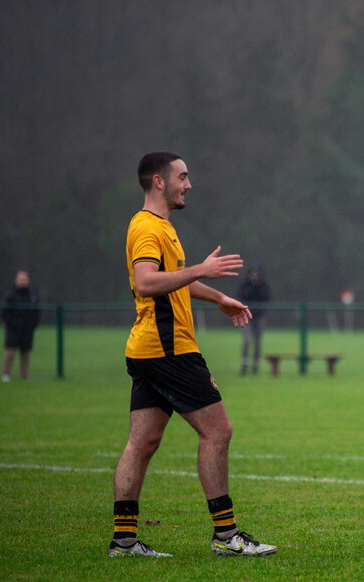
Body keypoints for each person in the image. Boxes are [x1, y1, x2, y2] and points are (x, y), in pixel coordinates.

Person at [110, 151, 276, 558]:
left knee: (142, 442)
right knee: (218, 432)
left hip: (148, 349)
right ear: (158, 181)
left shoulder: (160, 227)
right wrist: (201, 271)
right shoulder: (148, 229)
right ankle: (226, 536)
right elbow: (147, 283)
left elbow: (173, 280)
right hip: (170, 351)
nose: (189, 184)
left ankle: (124, 540)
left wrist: (218, 296)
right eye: (182, 177)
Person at [0, 270, 40, 382]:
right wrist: (13, 324)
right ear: (16, 280)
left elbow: (37, 313)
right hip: (13, 329)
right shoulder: (10, 295)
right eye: (21, 279)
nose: (23, 282)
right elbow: (5, 313)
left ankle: (25, 376)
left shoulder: (32, 296)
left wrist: (33, 325)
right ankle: (5, 375)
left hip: (27, 330)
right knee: (10, 353)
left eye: (25, 279)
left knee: (26, 354)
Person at [238, 265, 271, 375]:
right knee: (246, 340)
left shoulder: (263, 285)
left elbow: (266, 297)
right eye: (253, 274)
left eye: (257, 274)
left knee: (257, 341)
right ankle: (244, 364)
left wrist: (257, 286)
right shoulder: (246, 285)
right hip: (246, 316)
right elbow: (243, 296)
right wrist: (252, 285)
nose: (255, 276)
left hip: (259, 316)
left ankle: (255, 365)